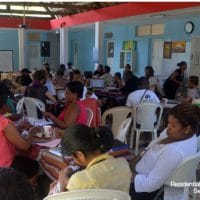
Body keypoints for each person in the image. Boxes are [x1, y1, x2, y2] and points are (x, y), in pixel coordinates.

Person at [130, 103, 198, 200]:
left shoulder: (174, 152)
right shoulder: (188, 136)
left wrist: (128, 174)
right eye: (168, 123)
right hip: (139, 172)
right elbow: (153, 145)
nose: (168, 127)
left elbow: (150, 185)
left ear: (187, 129)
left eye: (173, 125)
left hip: (142, 189)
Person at [55, 124, 131, 193]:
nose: (74, 161)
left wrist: (62, 182)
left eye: (73, 157)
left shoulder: (78, 180)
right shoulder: (124, 164)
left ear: (80, 155)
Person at [0, 91, 39, 183]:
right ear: (3, 107)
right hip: (5, 165)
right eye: (7, 103)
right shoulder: (4, 122)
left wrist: (17, 127)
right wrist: (32, 133)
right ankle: (27, 191)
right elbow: (25, 146)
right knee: (34, 165)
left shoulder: (5, 123)